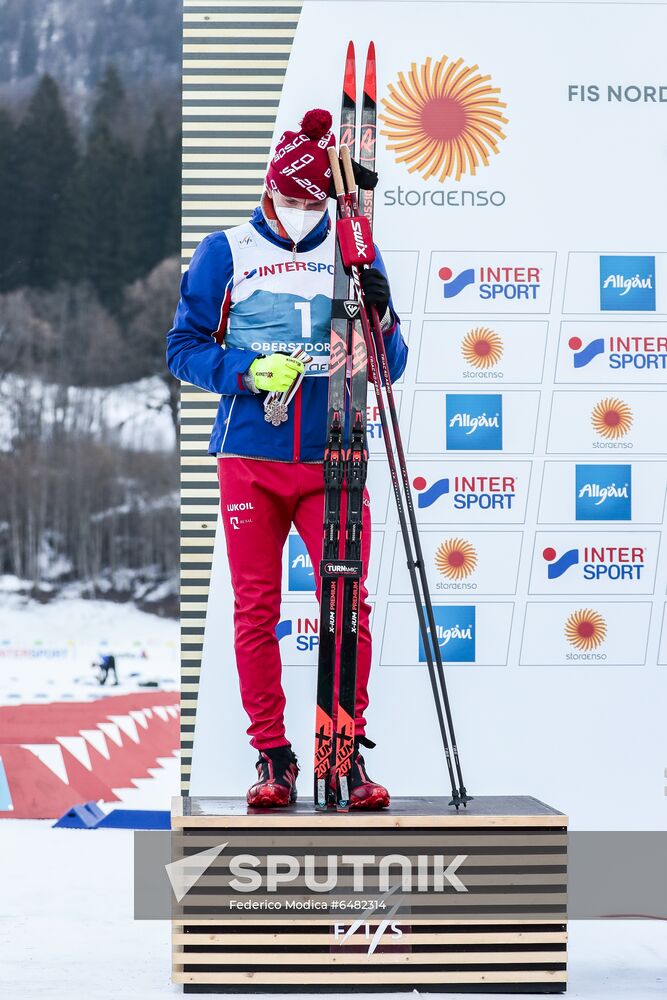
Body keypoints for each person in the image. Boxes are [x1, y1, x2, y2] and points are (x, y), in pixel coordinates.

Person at [167, 109, 408, 809]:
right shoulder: (228, 248)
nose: (302, 213)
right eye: (291, 200)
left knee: (346, 604)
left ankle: (345, 751)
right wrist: (245, 369)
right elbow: (183, 350)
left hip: (335, 451)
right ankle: (273, 757)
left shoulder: (353, 247)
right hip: (251, 452)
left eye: (314, 202)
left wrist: (381, 318)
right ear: (269, 191)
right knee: (255, 608)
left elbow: (389, 363)